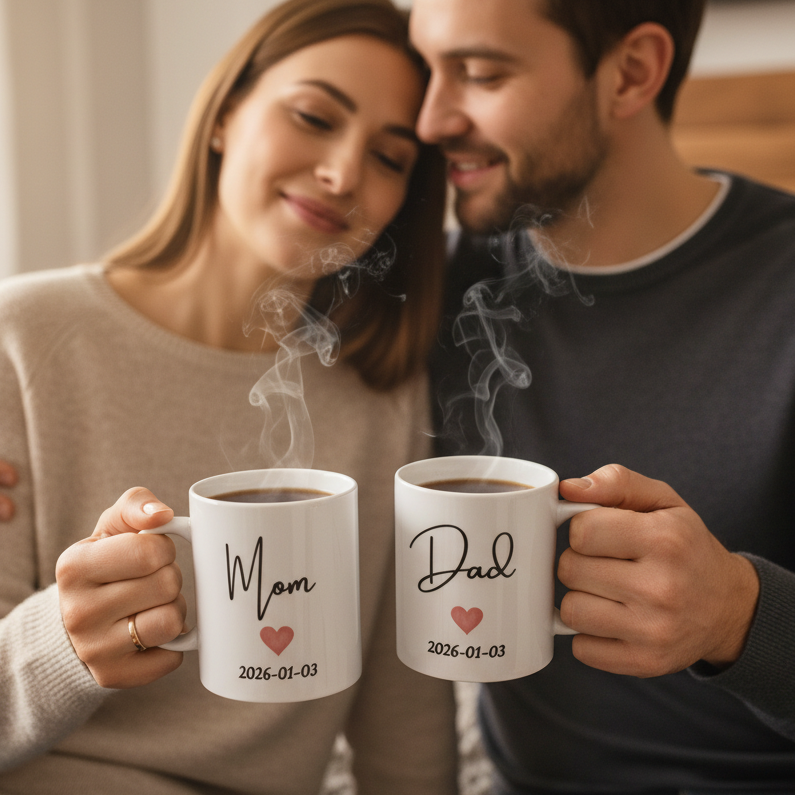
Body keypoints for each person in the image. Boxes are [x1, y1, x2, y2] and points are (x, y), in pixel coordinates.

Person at [0, 1, 459, 792]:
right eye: (314, 116)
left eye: (389, 159)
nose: (343, 173)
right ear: (224, 114)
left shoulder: (384, 397)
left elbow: (403, 721)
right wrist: (62, 646)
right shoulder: (24, 339)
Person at [410, 0, 795, 792]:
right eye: (425, 70)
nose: (429, 118)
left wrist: (735, 615)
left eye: (480, 73)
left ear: (631, 72)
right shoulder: (433, 291)